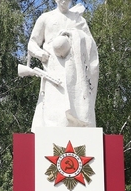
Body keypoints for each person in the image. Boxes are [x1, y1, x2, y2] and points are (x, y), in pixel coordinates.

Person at [26, 0, 99, 130]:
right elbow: (32, 43)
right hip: (53, 70)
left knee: (77, 105)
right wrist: (40, 53)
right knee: (53, 108)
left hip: (74, 72)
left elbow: (91, 45)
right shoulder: (46, 18)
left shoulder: (78, 20)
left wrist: (73, 35)